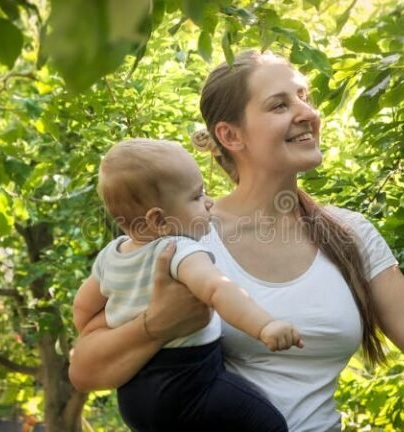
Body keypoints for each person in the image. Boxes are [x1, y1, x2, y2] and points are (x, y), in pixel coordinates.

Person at [69, 50, 404, 432]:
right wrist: (155, 325)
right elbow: (84, 369)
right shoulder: (185, 235)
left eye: (304, 98)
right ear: (231, 135)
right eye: (280, 105)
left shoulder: (348, 232)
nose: (308, 113)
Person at [72, 138, 302, 431]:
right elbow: (218, 289)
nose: (209, 202)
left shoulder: (112, 254)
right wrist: (264, 326)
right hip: (189, 382)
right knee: (268, 424)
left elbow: (83, 307)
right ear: (158, 220)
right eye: (196, 197)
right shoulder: (178, 249)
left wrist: (109, 324)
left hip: (134, 394)